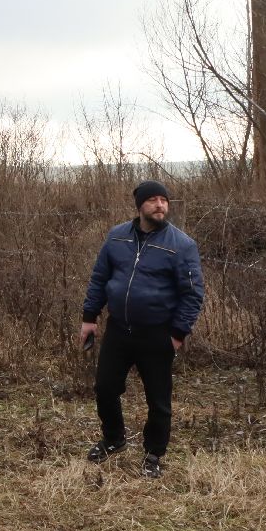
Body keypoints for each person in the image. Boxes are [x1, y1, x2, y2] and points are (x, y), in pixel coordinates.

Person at [80, 179, 204, 478]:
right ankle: (114, 439)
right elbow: (99, 278)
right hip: (119, 330)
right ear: (140, 206)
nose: (160, 205)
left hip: (157, 334)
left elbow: (193, 294)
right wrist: (89, 317)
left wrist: (176, 334)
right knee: (105, 388)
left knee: (158, 400)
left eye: (164, 200)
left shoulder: (181, 245)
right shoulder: (117, 237)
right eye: (153, 200)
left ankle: (153, 454)